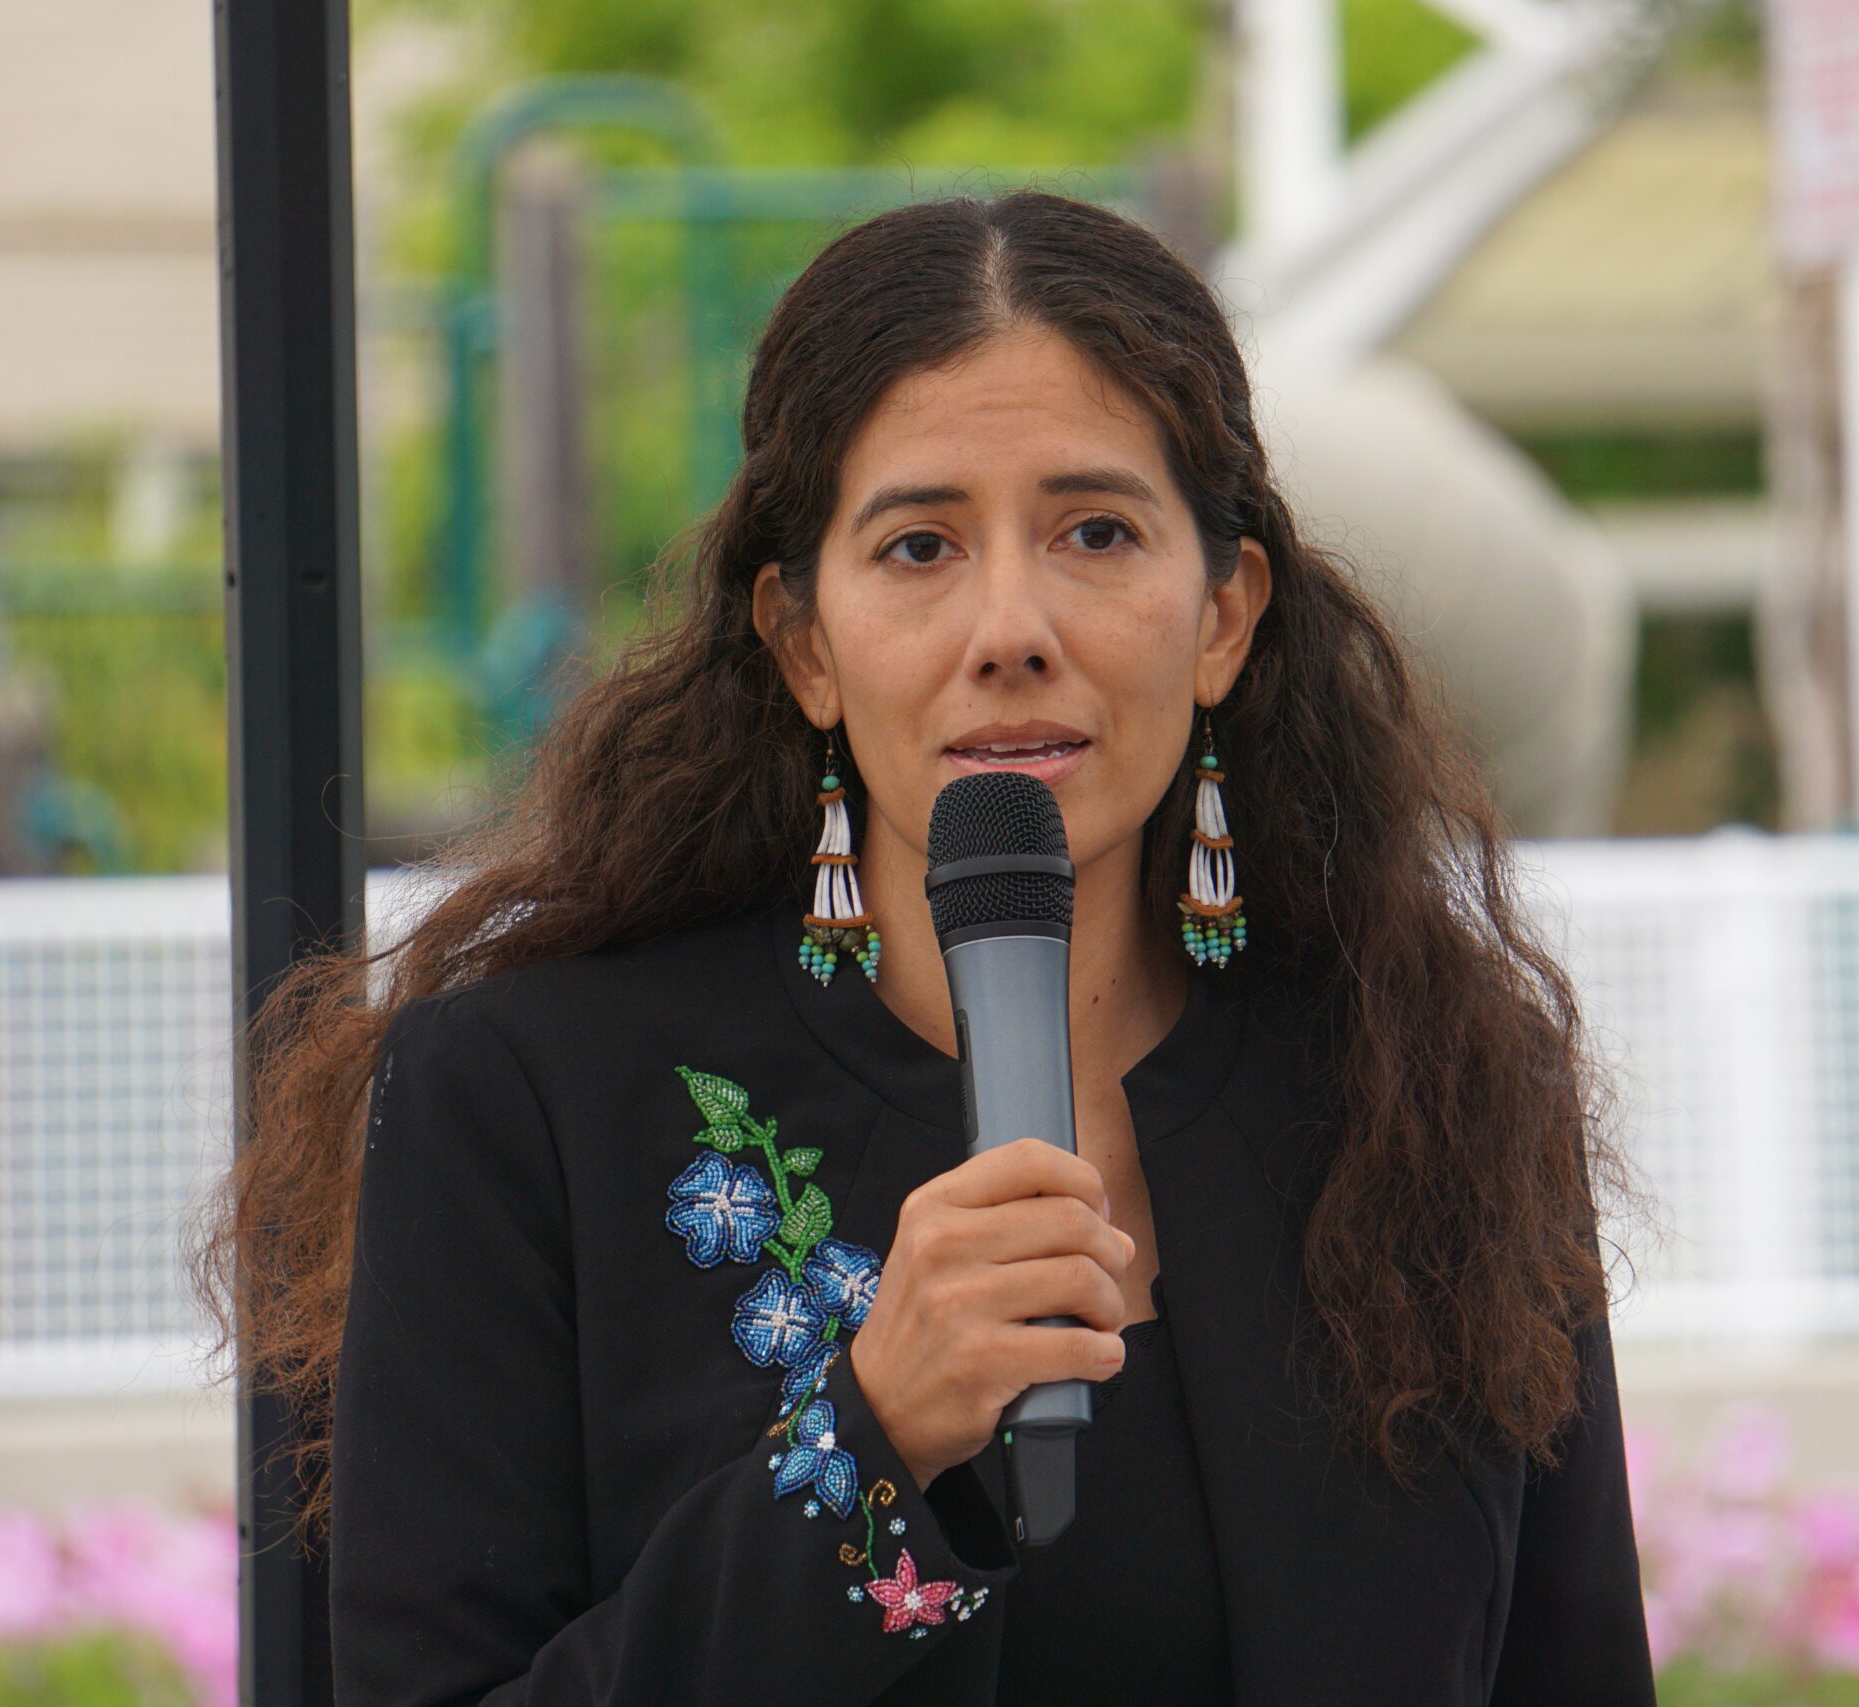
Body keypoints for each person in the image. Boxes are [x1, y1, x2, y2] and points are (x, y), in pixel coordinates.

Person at [205, 190, 1653, 1707]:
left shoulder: (1431, 1088)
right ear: (803, 642)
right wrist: (869, 1438)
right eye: (918, 547)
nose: (1010, 625)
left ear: (1224, 613)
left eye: (1096, 531)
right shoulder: (529, 1102)